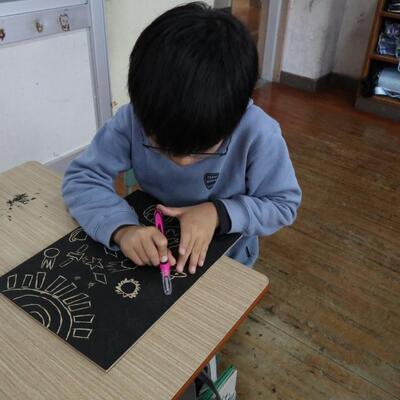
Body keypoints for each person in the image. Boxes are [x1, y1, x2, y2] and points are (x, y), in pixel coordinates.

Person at [62, 2, 301, 275]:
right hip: (155, 248)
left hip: (229, 260)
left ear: (234, 118)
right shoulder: (134, 119)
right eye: (162, 146)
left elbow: (283, 204)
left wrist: (218, 212)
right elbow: (82, 178)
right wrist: (121, 228)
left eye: (201, 150)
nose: (182, 160)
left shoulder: (258, 132)